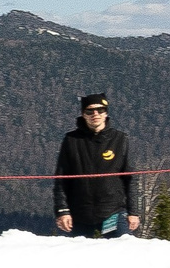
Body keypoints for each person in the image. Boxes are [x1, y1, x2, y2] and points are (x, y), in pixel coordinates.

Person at [54, 94, 138, 238]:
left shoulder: (120, 139)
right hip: (80, 214)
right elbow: (61, 179)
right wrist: (62, 210)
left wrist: (133, 212)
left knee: (123, 249)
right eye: (90, 111)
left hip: (113, 212)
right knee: (78, 252)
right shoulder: (71, 140)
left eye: (100, 110)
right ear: (83, 114)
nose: (95, 114)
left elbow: (130, 179)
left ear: (106, 113)